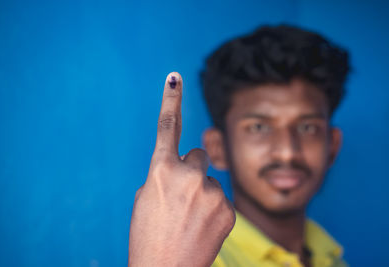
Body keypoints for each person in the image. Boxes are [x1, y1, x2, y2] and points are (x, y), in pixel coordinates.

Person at [128, 24, 350, 267]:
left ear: (332, 146)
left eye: (307, 127)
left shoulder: (331, 255)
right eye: (259, 127)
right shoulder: (193, 261)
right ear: (218, 148)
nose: (287, 151)